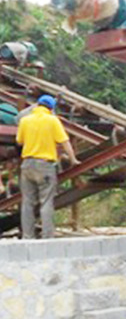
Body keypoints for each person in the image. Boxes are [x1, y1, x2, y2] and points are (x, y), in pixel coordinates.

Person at [15, 94, 79, 239]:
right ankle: (47, 237)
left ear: (37, 105)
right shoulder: (52, 120)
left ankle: (27, 237)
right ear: (51, 108)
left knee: (27, 202)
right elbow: (65, 141)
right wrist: (73, 159)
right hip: (44, 165)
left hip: (27, 165)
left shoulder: (25, 120)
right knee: (46, 202)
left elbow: (19, 141)